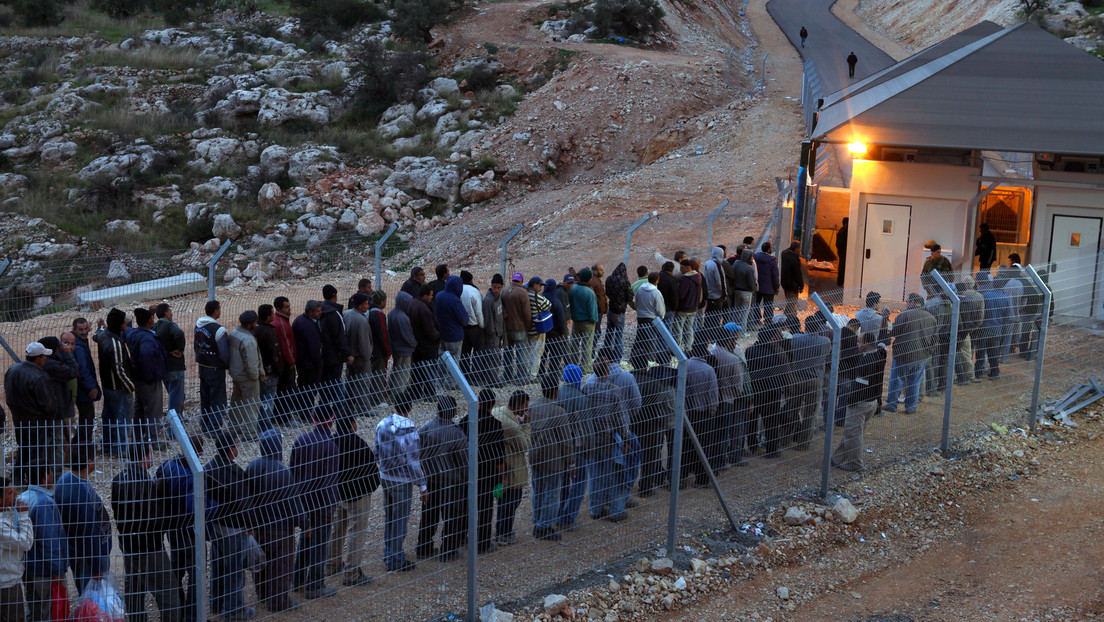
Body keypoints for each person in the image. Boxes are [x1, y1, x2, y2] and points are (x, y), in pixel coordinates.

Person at [111, 442, 182, 622]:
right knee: (168, 590)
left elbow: (117, 510)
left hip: (129, 544)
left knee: (134, 588)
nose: (153, 457)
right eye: (150, 454)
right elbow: (153, 520)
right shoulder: (144, 484)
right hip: (149, 548)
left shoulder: (119, 478)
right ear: (143, 458)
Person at [245, 430, 305, 613]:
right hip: (280, 529)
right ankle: (278, 602)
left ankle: (263, 594)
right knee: (281, 567)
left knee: (261, 562)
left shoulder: (252, 466)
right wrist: (304, 523)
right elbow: (294, 502)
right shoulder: (283, 471)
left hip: (258, 527)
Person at [204, 431, 255, 620]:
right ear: (229, 448)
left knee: (218, 565)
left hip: (215, 528)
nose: (237, 448)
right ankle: (234, 612)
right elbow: (245, 505)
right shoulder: (235, 474)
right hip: (234, 529)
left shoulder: (209, 468)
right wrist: (250, 526)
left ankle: (216, 602)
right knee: (234, 571)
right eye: (235, 445)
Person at [289, 411, 339, 598]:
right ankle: (315, 585)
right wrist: (329, 509)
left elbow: (292, 474)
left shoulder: (300, 440)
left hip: (302, 503)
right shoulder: (331, 447)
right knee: (320, 545)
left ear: (313, 419)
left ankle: (298, 580)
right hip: (321, 504)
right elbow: (330, 482)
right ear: (331, 421)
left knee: (306, 540)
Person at [375, 393, 427, 571]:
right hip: (401, 480)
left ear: (395, 405)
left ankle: (389, 552)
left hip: (385, 477)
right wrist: (422, 486)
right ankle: (395, 559)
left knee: (389, 516)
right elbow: (413, 462)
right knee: (400, 520)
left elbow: (376, 450)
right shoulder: (410, 429)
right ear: (410, 407)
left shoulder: (382, 424)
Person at [155, 435, 203, 622]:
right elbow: (195, 508)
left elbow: (156, 488)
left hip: (171, 529)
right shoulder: (192, 475)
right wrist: (214, 505)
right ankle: (193, 615)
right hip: (189, 531)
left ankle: (178, 610)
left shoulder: (167, 465)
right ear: (198, 453)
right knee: (196, 573)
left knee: (176, 568)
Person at [327, 414, 378, 587]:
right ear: (352, 424)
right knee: (356, 533)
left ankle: (331, 564)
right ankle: (351, 574)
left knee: (336, 529)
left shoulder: (331, 442)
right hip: (357, 496)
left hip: (337, 494)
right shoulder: (359, 444)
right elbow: (372, 471)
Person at [54, 445, 110, 596]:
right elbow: (90, 535)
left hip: (74, 551)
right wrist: (97, 568)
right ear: (90, 461)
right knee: (94, 601)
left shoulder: (63, 480)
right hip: (89, 557)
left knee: (85, 596)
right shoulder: (84, 493)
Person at [417, 395, 468, 560]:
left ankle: (423, 548)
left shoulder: (425, 428)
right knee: (452, 517)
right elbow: (464, 463)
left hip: (431, 479)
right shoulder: (456, 433)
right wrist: (466, 480)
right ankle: (449, 550)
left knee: (429, 516)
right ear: (452, 412)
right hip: (451, 483)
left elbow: (417, 452)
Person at [582, 356, 630, 522]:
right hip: (609, 439)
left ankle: (596, 509)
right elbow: (620, 418)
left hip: (592, 440)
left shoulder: (586, 388)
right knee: (614, 475)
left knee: (594, 476)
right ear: (607, 370)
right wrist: (625, 439)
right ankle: (616, 511)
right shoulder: (613, 390)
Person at [19, 461, 67, 622]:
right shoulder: (45, 502)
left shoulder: (23, 497)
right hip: (43, 570)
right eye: (51, 471)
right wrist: (58, 570)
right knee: (45, 613)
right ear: (46, 476)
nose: (53, 474)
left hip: (28, 566)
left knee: (35, 610)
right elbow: (49, 541)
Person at [458, 389, 504, 553]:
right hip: (487, 472)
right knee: (485, 507)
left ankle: (461, 535)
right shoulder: (495, 425)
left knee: (465, 503)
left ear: (479, 402)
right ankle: (483, 542)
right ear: (493, 405)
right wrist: (502, 476)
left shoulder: (466, 420)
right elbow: (499, 456)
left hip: (467, 470)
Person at [832, 333, 887, 471]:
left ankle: (855, 464)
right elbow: (882, 346)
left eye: (859, 342)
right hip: (872, 401)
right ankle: (837, 458)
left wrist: (852, 400)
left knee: (853, 434)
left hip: (860, 403)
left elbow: (860, 385)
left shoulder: (865, 361)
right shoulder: (880, 354)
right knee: (853, 432)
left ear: (866, 344)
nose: (857, 344)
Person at [6, 343, 58, 481]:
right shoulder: (39, 376)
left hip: (19, 418)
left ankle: (17, 476)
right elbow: (47, 404)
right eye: (44, 357)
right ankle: (34, 480)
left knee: (24, 447)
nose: (45, 359)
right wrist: (51, 415)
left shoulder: (13, 369)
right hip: (36, 420)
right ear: (38, 358)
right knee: (36, 452)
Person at [529, 380, 573, 541]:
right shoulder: (559, 412)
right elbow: (566, 441)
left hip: (535, 456)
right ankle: (544, 526)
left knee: (538, 490)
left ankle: (537, 520)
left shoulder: (533, 406)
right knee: (552, 494)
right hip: (553, 460)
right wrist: (571, 462)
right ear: (555, 391)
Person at [745, 323, 793, 458]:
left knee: (753, 420)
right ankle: (772, 449)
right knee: (771, 421)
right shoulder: (775, 352)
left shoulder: (750, 350)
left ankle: (753, 446)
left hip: (755, 391)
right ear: (771, 338)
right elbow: (780, 373)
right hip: (771, 392)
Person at [883, 293, 937, 414]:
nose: (906, 304)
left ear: (912, 302)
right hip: (921, 356)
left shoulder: (904, 315)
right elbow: (934, 339)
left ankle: (892, 404)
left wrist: (886, 320)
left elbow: (893, 332)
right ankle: (911, 407)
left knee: (897, 380)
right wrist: (927, 352)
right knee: (915, 382)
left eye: (907, 301)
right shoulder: (931, 318)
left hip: (903, 354)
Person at [785, 315, 830, 449]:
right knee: (810, 412)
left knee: (792, 409)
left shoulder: (796, 339)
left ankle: (785, 439)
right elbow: (827, 356)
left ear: (805, 326)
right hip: (815, 379)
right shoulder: (824, 341)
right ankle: (804, 443)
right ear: (818, 327)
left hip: (797, 378)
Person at [94, 310, 133, 459]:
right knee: (122, 418)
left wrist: (100, 327)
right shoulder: (115, 343)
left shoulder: (104, 335)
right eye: (125, 322)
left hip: (108, 386)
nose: (127, 324)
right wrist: (130, 386)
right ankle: (121, 449)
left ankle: (107, 445)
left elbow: (96, 336)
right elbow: (118, 369)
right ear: (119, 324)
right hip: (118, 387)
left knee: (108, 416)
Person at [494, 391, 531, 546]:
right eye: (525, 406)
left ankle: (501, 531)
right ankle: (504, 533)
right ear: (517, 405)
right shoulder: (512, 426)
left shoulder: (498, 412)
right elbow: (525, 445)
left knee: (503, 501)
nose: (526, 410)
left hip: (500, 467)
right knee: (512, 502)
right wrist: (527, 424)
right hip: (512, 469)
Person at [556, 365, 590, 532]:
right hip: (577, 447)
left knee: (562, 482)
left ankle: (559, 512)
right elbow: (586, 428)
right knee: (579, 481)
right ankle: (568, 517)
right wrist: (589, 448)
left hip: (560, 445)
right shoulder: (581, 398)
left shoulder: (559, 392)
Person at [710, 323, 748, 466]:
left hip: (711, 398)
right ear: (728, 341)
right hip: (727, 399)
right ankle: (720, 462)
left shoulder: (710, 353)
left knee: (712, 432)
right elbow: (738, 386)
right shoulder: (733, 359)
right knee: (723, 432)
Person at [128, 308, 167, 448]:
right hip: (149, 379)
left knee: (139, 410)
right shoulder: (147, 338)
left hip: (138, 378)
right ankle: (153, 441)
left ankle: (137, 439)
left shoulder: (134, 333)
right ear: (150, 320)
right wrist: (150, 375)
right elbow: (146, 354)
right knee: (153, 410)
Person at [40, 335, 77, 475]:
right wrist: (68, 354)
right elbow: (73, 372)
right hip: (56, 410)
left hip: (56, 407)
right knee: (57, 443)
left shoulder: (51, 362)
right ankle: (55, 475)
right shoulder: (51, 364)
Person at [0, 473, 34, 622]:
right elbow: (25, 543)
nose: (15, 495)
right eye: (9, 493)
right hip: (6, 585)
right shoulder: (1, 527)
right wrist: (24, 515)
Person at [228, 310, 265, 442]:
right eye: (255, 322)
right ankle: (250, 434)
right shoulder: (248, 340)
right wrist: (255, 376)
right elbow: (251, 363)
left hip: (236, 374)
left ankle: (233, 428)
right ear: (250, 324)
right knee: (252, 405)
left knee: (236, 403)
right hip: (248, 377)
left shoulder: (234, 333)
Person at [195, 300, 230, 434]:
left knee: (205, 397)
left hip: (202, 366)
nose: (220, 311)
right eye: (219, 309)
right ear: (215, 311)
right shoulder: (219, 330)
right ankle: (214, 428)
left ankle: (205, 424)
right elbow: (224, 353)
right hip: (215, 368)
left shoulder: (198, 325)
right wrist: (227, 364)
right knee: (218, 398)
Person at [319, 284, 353, 413]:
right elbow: (340, 336)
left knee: (325, 383)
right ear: (335, 296)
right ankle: (340, 408)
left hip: (323, 355)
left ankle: (324, 409)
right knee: (336, 382)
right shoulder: (334, 314)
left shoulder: (320, 311)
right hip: (335, 356)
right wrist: (348, 353)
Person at [71, 318, 100, 448]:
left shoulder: (79, 342)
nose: (84, 332)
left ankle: (78, 445)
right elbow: (82, 370)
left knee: (86, 418)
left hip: (80, 388)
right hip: (83, 389)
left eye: (85, 329)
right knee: (87, 418)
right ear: (74, 330)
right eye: (80, 329)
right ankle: (83, 448)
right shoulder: (79, 347)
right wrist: (91, 387)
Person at [154, 304, 186, 422]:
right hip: (175, 367)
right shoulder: (170, 326)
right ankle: (173, 429)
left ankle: (178, 421)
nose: (172, 313)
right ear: (166, 313)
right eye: (170, 311)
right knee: (176, 399)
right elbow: (179, 334)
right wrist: (180, 350)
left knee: (176, 395)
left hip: (163, 367)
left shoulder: (154, 327)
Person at [293, 301, 324, 421]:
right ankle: (305, 415)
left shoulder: (299, 320)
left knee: (302, 387)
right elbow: (314, 348)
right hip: (310, 364)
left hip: (302, 362)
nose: (320, 312)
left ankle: (300, 410)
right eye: (318, 311)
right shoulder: (309, 326)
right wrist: (319, 364)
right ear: (310, 313)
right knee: (309, 390)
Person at [975, 273, 1009, 381]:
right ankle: (995, 373)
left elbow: (980, 312)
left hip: (984, 328)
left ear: (993, 283)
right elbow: (1007, 317)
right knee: (994, 353)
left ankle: (978, 374)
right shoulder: (1006, 298)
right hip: (997, 329)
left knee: (980, 352)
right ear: (1003, 285)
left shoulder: (985, 296)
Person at [344, 293, 374, 415]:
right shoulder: (361, 320)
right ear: (361, 306)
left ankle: (349, 406)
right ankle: (364, 408)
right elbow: (364, 342)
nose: (368, 306)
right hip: (361, 357)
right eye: (366, 304)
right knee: (363, 383)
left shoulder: (347, 314)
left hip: (350, 355)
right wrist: (367, 357)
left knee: (350, 382)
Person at [409, 284, 441, 398]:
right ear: (425, 295)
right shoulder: (424, 309)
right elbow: (430, 330)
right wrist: (438, 336)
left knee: (417, 371)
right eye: (431, 295)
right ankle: (429, 394)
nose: (432, 298)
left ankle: (416, 393)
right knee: (429, 370)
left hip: (417, 344)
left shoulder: (413, 303)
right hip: (427, 345)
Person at [254, 304, 282, 431]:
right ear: (267, 316)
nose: (274, 315)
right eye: (272, 313)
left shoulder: (256, 329)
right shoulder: (269, 332)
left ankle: (259, 424)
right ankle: (265, 426)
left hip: (259, 369)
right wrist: (278, 369)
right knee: (268, 399)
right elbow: (274, 354)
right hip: (269, 371)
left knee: (260, 398)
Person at [272, 297, 298, 425]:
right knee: (287, 389)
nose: (289, 309)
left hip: (282, 363)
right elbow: (285, 346)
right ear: (279, 309)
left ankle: (279, 415)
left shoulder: (281, 321)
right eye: (286, 307)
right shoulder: (280, 323)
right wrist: (292, 361)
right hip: (286, 363)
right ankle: (284, 417)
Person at [503, 272, 532, 382]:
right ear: (522, 281)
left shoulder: (504, 290)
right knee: (521, 354)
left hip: (507, 328)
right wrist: (528, 325)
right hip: (520, 327)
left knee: (508, 352)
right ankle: (521, 377)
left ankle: (507, 375)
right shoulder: (523, 292)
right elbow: (527, 313)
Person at [955, 277, 985, 385]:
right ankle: (970, 375)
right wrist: (973, 327)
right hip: (970, 328)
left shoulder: (955, 297)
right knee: (968, 353)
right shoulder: (978, 296)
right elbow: (980, 316)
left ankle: (955, 376)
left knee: (955, 353)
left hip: (957, 330)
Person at [570, 269, 600, 374]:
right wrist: (594, 320)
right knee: (587, 345)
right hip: (587, 323)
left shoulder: (573, 288)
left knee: (574, 344)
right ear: (588, 279)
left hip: (576, 321)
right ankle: (585, 367)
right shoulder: (589, 293)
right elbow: (593, 311)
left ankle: (572, 365)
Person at [631, 272, 666, 365]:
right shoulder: (656, 292)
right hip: (651, 318)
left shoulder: (640, 289)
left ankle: (634, 356)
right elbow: (660, 308)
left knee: (640, 338)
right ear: (657, 280)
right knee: (650, 339)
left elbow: (636, 302)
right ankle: (650, 358)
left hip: (640, 317)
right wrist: (661, 316)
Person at [388, 292, 417, 400]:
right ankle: (398, 396)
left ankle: (392, 392)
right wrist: (414, 344)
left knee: (396, 371)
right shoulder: (403, 318)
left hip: (396, 348)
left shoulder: (392, 313)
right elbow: (408, 336)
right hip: (404, 349)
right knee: (403, 374)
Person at [435, 274, 469, 365]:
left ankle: (440, 379)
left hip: (442, 334)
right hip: (454, 336)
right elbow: (464, 320)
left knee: (442, 361)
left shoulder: (439, 295)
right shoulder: (455, 300)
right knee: (453, 364)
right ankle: (450, 380)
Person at [479, 275, 506, 386]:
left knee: (495, 357)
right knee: (492, 358)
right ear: (491, 286)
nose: (496, 290)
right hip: (492, 334)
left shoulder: (498, 297)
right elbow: (488, 320)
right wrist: (492, 333)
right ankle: (492, 381)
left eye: (499, 288)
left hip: (498, 332)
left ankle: (492, 378)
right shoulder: (488, 300)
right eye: (494, 287)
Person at [540, 277, 570, 382]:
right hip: (556, 333)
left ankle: (540, 373)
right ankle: (553, 374)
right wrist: (563, 332)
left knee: (542, 353)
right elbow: (561, 319)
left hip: (543, 332)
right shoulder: (556, 301)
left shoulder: (541, 298)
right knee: (555, 355)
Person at [604, 263, 632, 362]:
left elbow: (607, 292)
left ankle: (605, 355)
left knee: (608, 333)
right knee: (618, 336)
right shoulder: (625, 282)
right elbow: (629, 297)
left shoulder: (609, 279)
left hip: (611, 310)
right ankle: (617, 358)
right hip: (620, 312)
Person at [368, 291, 391, 407]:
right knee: (379, 375)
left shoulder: (369, 312)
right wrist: (387, 351)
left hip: (371, 350)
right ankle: (376, 400)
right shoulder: (379, 315)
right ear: (382, 301)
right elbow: (383, 335)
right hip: (379, 352)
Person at [701, 248, 729, 345]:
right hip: (717, 296)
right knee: (716, 318)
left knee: (709, 317)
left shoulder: (708, 263)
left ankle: (706, 336)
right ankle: (714, 338)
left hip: (709, 294)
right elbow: (720, 281)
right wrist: (724, 294)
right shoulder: (717, 265)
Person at [675, 260, 703, 354]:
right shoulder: (698, 276)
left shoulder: (685, 279)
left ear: (688, 267)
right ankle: (688, 348)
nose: (681, 270)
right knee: (689, 329)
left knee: (679, 329)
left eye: (682, 268)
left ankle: (677, 349)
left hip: (683, 308)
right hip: (693, 307)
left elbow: (681, 294)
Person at [526, 277, 552, 376]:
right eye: (540, 285)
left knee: (527, 352)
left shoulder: (525, 294)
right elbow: (548, 305)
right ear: (534, 285)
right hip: (537, 329)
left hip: (526, 329)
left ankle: (526, 372)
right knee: (537, 353)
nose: (541, 288)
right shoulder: (537, 297)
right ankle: (533, 375)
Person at [460, 270, 485, 372]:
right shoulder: (474, 291)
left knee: (464, 352)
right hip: (474, 327)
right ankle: (476, 374)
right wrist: (482, 325)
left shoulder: (458, 290)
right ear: (471, 280)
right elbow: (478, 311)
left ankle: (464, 374)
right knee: (478, 352)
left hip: (462, 326)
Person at [754, 242, 780, 328]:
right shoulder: (772, 261)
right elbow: (775, 275)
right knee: (768, 305)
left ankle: (756, 320)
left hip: (757, 286)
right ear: (768, 250)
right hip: (768, 287)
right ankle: (768, 321)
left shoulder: (756, 257)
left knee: (756, 304)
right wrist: (776, 286)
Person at [731, 250, 756, 336]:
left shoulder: (736, 264)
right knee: (744, 313)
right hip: (746, 292)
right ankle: (742, 332)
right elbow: (752, 284)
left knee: (736, 312)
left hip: (737, 291)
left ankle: (733, 331)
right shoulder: (748, 268)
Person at [780, 240, 805, 316]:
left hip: (785, 282)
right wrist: (801, 285)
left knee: (789, 302)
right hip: (793, 285)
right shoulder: (795, 260)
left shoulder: (784, 255)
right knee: (792, 303)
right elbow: (798, 274)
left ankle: (791, 317)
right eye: (799, 248)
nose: (800, 250)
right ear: (796, 249)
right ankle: (788, 319)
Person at [836, 217, 849, 287]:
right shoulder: (843, 232)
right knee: (842, 267)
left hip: (842, 252)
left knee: (842, 267)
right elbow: (839, 244)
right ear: (846, 224)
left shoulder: (843, 231)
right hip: (843, 253)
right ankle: (840, 281)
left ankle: (840, 281)